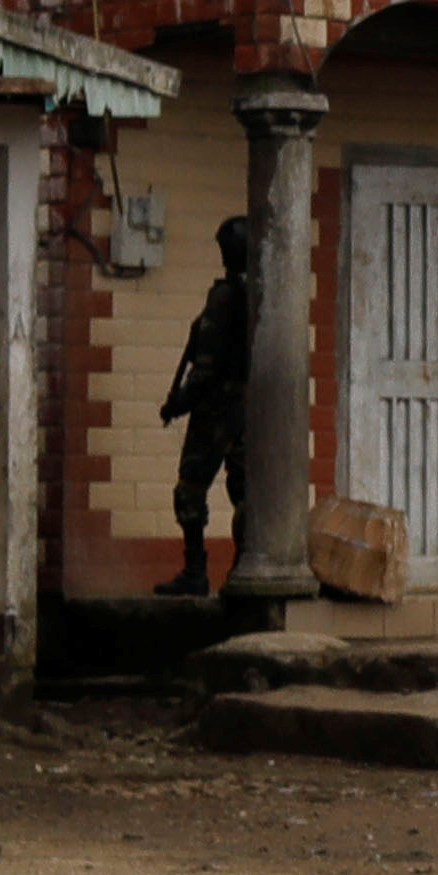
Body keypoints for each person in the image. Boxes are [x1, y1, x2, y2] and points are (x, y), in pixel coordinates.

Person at [160, 216, 259, 596]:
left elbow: (204, 367)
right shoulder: (260, 295)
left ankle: (195, 571)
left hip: (216, 410)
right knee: (246, 494)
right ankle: (243, 568)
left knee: (190, 489)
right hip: (247, 412)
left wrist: (178, 405)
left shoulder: (223, 297)